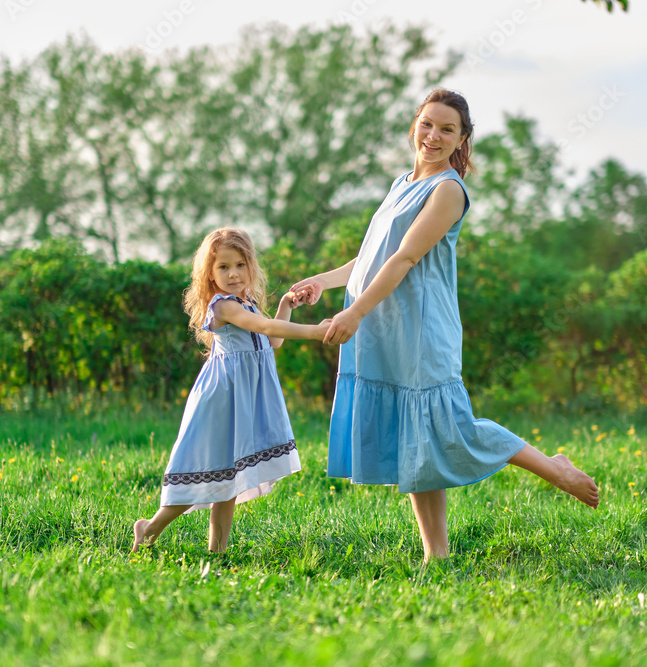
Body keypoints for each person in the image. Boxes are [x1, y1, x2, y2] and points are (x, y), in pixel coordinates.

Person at [290, 89, 600, 562]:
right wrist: (325, 283)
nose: (433, 136)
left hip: (420, 329)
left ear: (462, 139)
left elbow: (407, 257)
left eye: (447, 129)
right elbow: (371, 256)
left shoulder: (448, 189)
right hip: (382, 328)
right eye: (427, 124)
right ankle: (438, 554)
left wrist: (355, 312)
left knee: (450, 428)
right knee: (419, 443)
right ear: (414, 124)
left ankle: (555, 469)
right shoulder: (401, 183)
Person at [133, 228, 329, 554]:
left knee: (230, 480)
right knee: (203, 476)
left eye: (239, 264)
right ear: (209, 274)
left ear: (250, 265)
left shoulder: (247, 303)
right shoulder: (223, 306)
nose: (233, 273)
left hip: (244, 399)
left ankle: (217, 552)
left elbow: (272, 339)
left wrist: (285, 304)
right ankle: (150, 528)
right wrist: (316, 332)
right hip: (222, 399)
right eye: (223, 267)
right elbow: (265, 328)